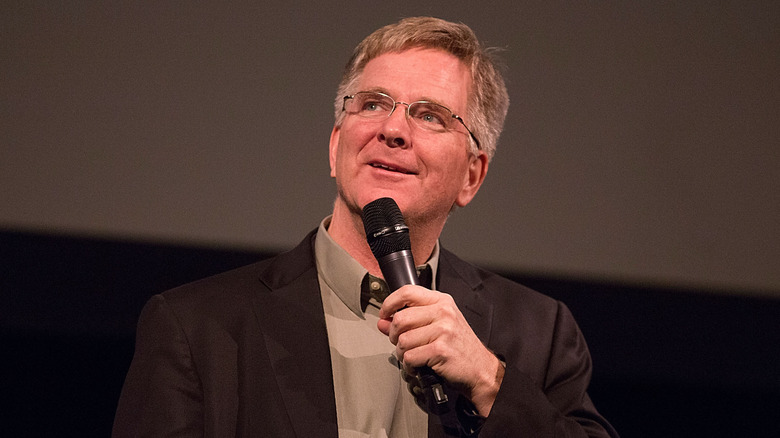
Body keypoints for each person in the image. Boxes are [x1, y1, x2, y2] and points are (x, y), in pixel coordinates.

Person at [112, 16, 618, 437]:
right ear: (336, 146)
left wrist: (490, 381)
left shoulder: (540, 334)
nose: (392, 129)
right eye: (373, 103)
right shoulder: (196, 327)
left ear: (472, 175)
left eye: (430, 115)